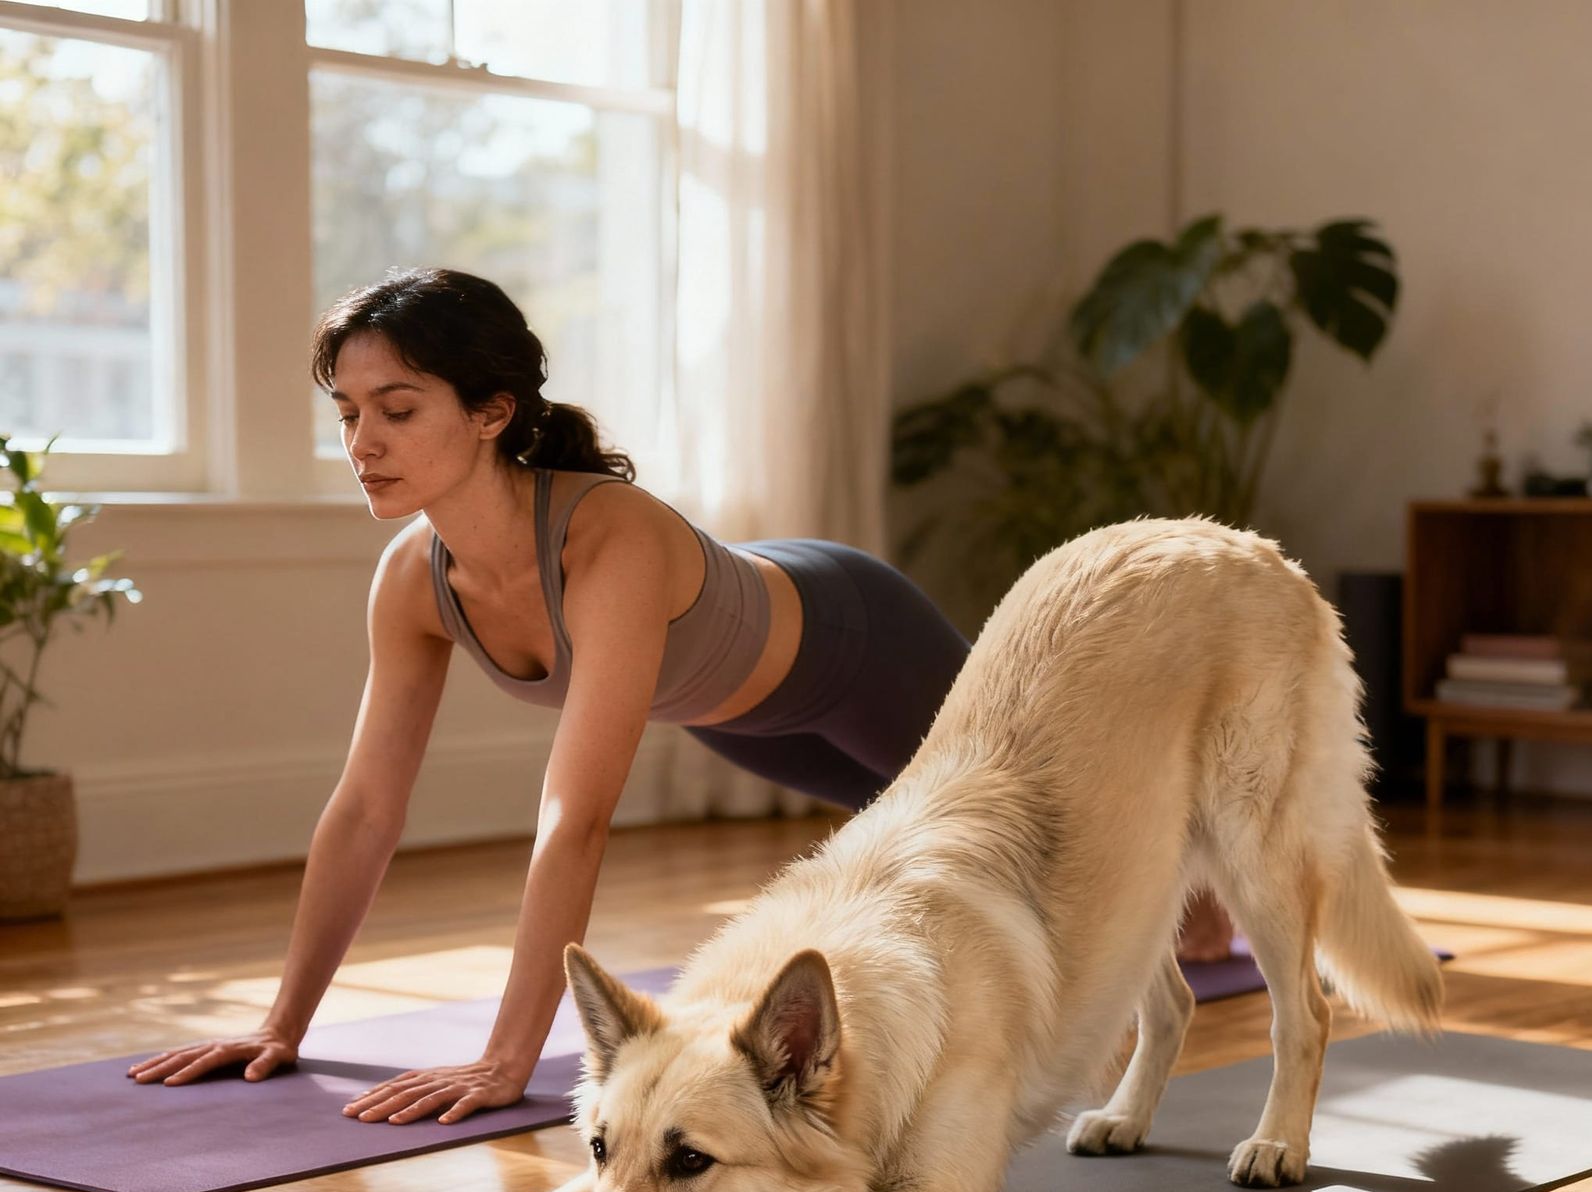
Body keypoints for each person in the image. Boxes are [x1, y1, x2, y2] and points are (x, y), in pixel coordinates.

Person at [129, 267, 1233, 1124]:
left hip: (852, 643)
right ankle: (1183, 898)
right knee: (975, 849)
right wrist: (283, 1025)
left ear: (490, 412)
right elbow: (367, 809)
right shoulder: (412, 581)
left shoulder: (608, 537)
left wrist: (514, 1057)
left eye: (398, 409)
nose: (362, 443)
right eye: (346, 411)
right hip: (747, 716)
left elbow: (578, 816)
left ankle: (1207, 888)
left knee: (1067, 855)